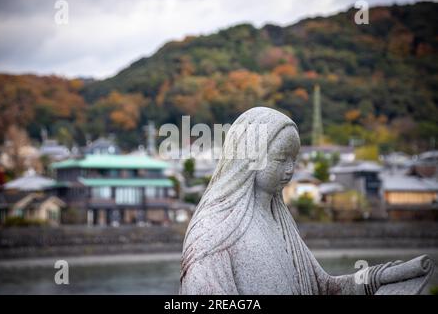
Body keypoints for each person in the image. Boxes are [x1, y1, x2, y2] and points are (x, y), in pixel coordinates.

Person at [180, 107, 434, 295]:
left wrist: (378, 277)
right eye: (281, 159)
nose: (290, 169)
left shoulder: (280, 221)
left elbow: (323, 288)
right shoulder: (214, 231)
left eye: (294, 159)